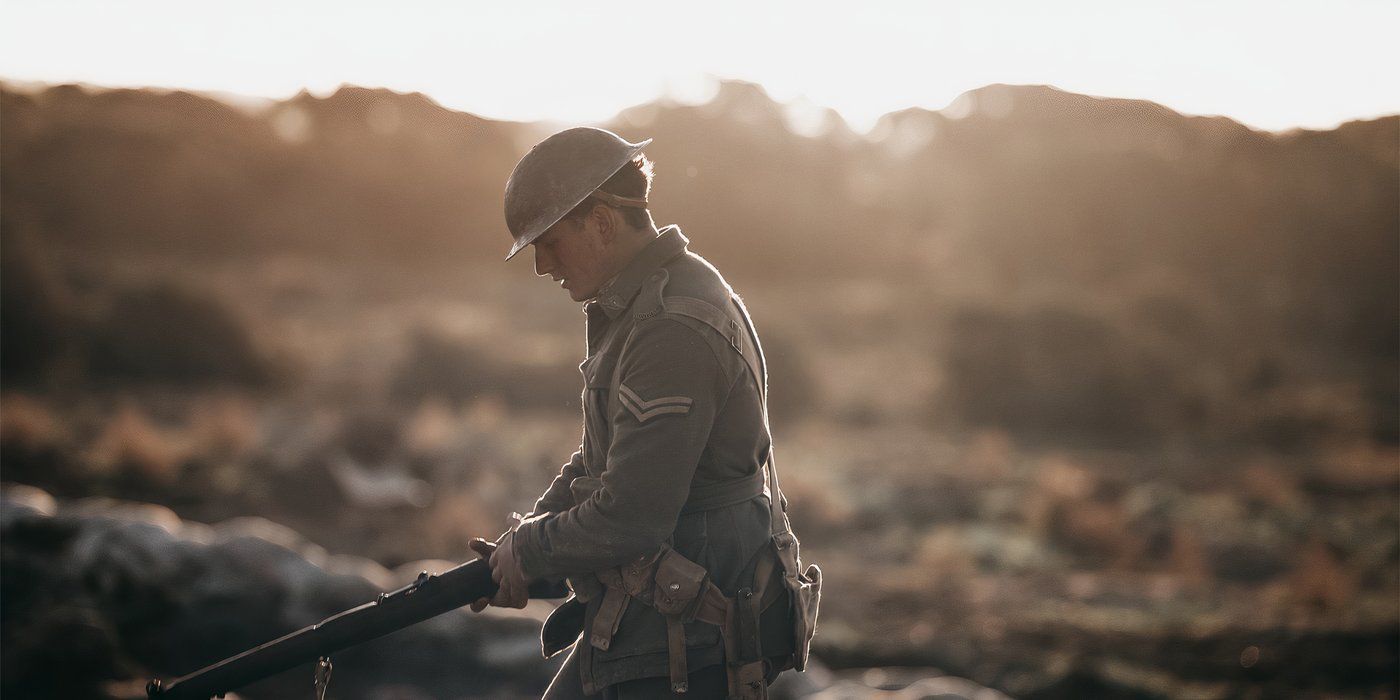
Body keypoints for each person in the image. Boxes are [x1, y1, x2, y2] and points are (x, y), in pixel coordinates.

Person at [468, 127, 820, 699]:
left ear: (602, 222)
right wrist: (521, 544)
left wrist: (531, 550)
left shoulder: (669, 327)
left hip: (689, 639)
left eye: (550, 242)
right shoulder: (640, 301)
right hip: (659, 612)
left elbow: (631, 514)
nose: (541, 267)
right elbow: (604, 457)